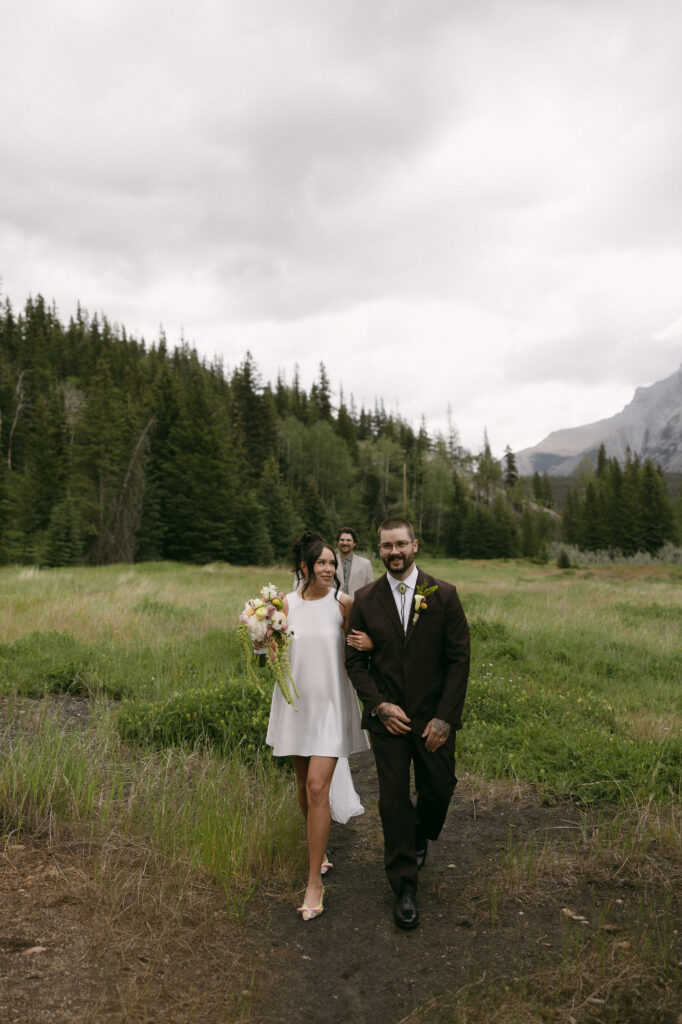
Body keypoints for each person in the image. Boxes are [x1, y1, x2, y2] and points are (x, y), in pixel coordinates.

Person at [345, 516, 470, 930]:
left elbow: (458, 661)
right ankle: (404, 886)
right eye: (386, 546)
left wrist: (445, 719)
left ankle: (419, 836)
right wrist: (380, 706)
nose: (393, 552)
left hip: (433, 718)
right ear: (379, 550)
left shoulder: (444, 595)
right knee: (394, 800)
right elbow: (355, 662)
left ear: (415, 545)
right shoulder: (364, 599)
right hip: (389, 722)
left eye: (400, 544)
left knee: (439, 788)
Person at [266, 531, 370, 921]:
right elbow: (270, 652)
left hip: (330, 706)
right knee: (301, 785)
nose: (330, 568)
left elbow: (362, 641)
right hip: (296, 706)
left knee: (316, 786)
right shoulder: (284, 606)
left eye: (332, 563)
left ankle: (314, 882)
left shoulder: (343, 604)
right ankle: (319, 849)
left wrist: (370, 645)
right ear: (306, 567)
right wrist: (265, 643)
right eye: (322, 563)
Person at [336, 527, 375, 597]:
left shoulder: (365, 564)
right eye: (342, 540)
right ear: (338, 542)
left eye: (348, 540)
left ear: (354, 543)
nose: (345, 543)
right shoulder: (330, 561)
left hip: (357, 605)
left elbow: (371, 589)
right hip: (334, 604)